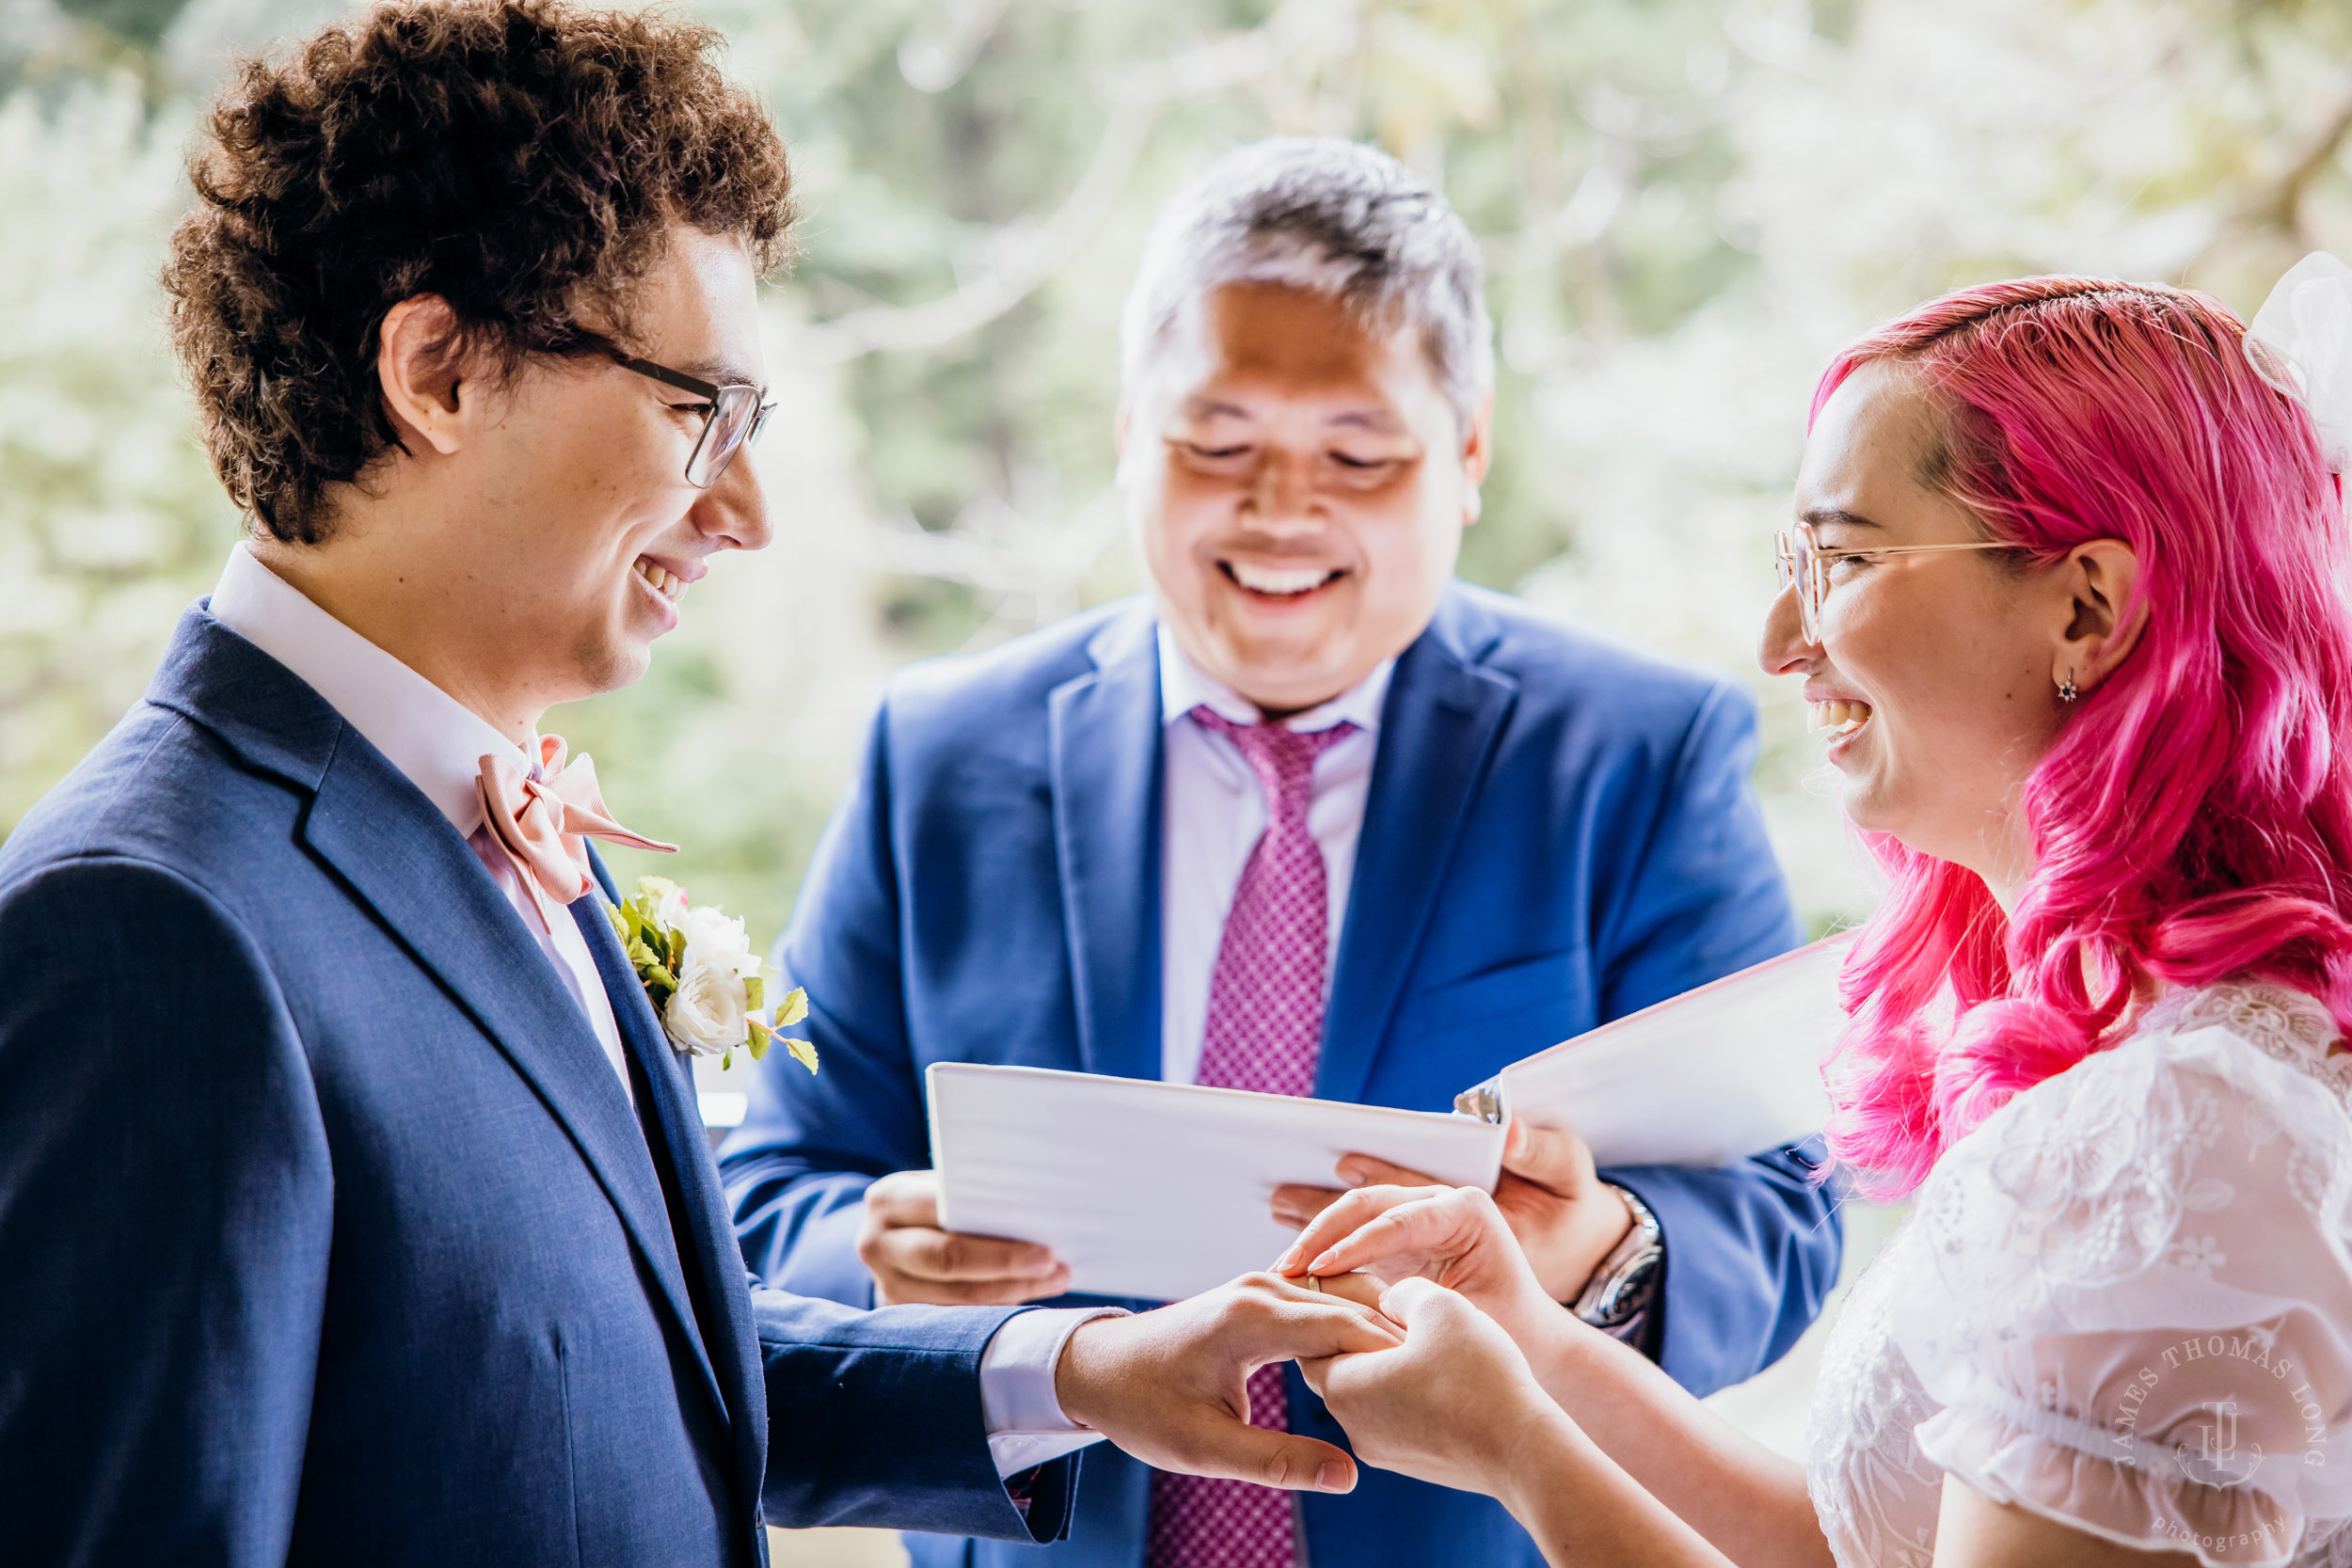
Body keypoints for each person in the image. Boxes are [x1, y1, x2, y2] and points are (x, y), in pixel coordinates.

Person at [0, 8, 1409, 1565]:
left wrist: (1081, 1369)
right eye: (702, 411)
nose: (745, 511)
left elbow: (643, 1369)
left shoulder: (485, 818)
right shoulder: (147, 929)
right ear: (439, 371)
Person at [720, 136, 1844, 1568]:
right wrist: (877, 1264)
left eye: (1357, 454)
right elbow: (772, 1186)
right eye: (1219, 442)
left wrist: (1601, 1254)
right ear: (1132, 435)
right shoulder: (939, 754)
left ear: (1470, 454)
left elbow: (1783, 1208)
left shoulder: (1635, 754)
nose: (1281, 507)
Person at [1279, 265, 2352, 1567]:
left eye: (1842, 560)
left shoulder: (2173, 1129)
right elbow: (1856, 1548)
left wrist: (1515, 1449)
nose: (1780, 637)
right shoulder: (2170, 1067)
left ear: (2087, 605)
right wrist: (1529, 1339)